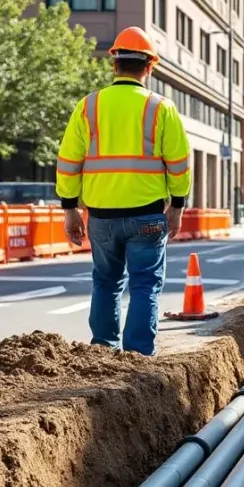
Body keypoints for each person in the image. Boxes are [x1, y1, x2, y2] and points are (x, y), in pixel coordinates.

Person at [56, 26, 191, 356]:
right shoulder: (161, 108)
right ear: (149, 67)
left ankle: (103, 351)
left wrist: (70, 208)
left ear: (114, 64)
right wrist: (177, 206)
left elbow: (68, 161)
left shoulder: (88, 106)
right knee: (145, 284)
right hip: (147, 215)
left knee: (106, 282)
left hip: (101, 217)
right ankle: (138, 356)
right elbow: (179, 164)